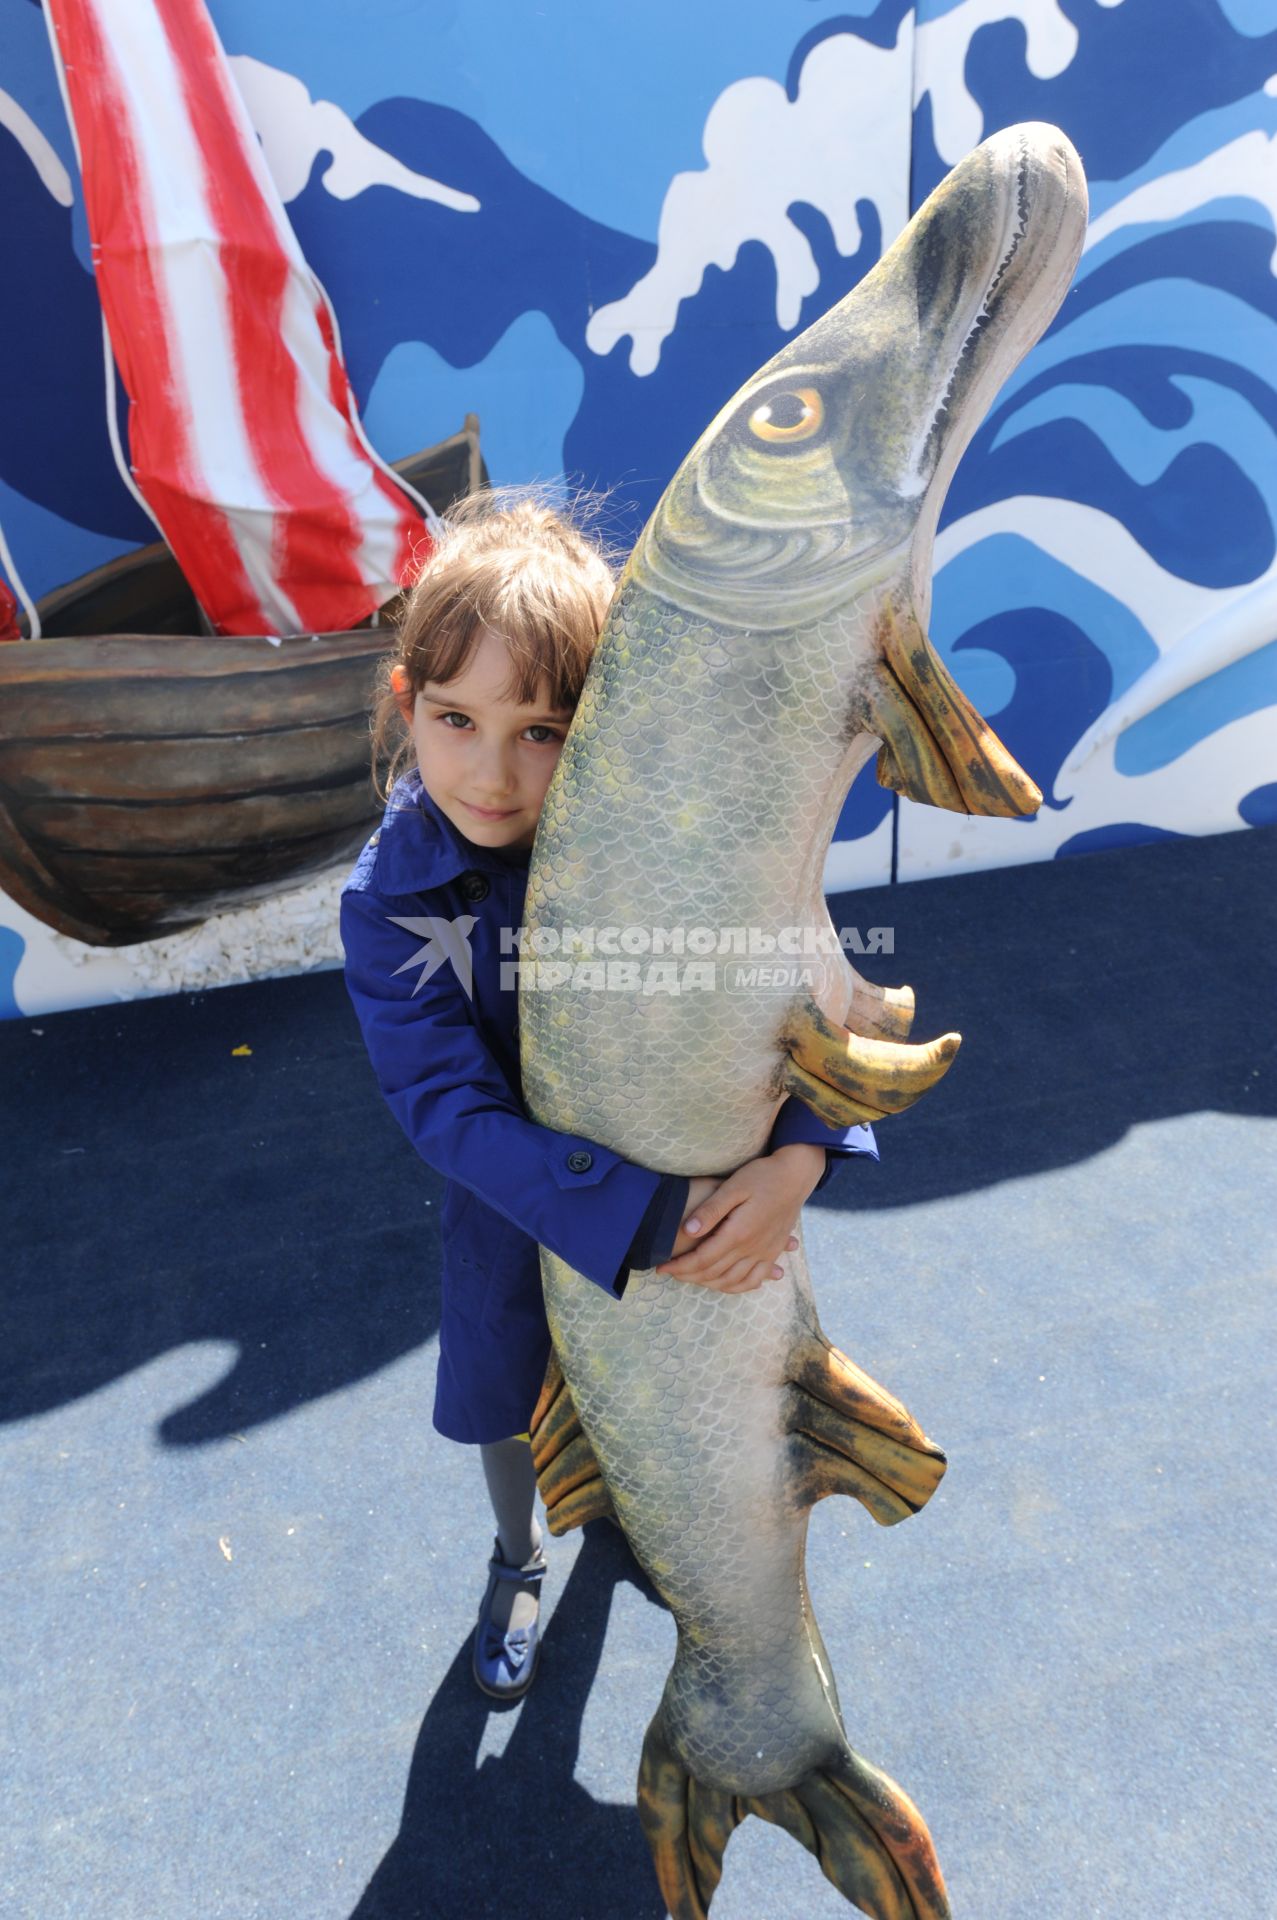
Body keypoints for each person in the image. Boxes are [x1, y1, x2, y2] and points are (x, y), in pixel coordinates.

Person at [339, 489, 878, 1701]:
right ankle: (516, 1555)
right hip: (522, 1212)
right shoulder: (389, 902)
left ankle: (644, 1523)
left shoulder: (673, 855)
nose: (490, 770)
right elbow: (443, 1109)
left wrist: (799, 1156)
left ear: (605, 724)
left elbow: (802, 1001)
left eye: (542, 730)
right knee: (502, 1399)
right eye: (455, 718)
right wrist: (642, 1212)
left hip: (701, 1192)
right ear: (406, 706)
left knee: (675, 1402)